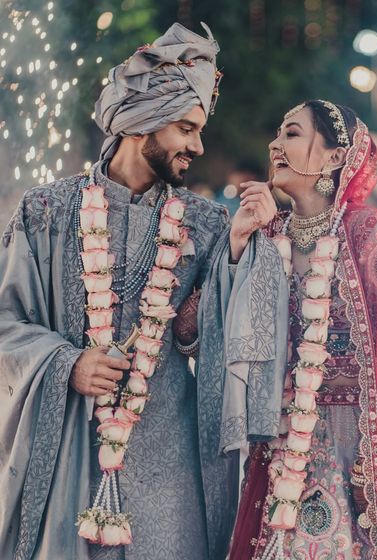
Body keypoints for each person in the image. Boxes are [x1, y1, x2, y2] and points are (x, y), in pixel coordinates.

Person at [0, 22, 244, 560]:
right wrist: (66, 362)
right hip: (69, 454)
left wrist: (202, 312)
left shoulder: (207, 226)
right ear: (142, 125)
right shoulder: (46, 213)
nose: (197, 146)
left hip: (169, 474)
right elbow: (5, 323)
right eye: (185, 128)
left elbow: (218, 343)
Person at [198, 100, 377, 559]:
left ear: (335, 157)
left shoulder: (369, 235)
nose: (275, 144)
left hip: (351, 445)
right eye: (277, 134)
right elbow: (219, 335)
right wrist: (240, 245)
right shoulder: (268, 235)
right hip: (278, 442)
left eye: (292, 134)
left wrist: (373, 470)